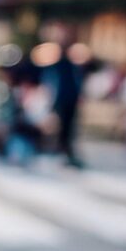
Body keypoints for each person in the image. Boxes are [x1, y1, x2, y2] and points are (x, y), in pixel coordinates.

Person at [44, 33, 86, 167]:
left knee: (67, 128)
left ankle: (64, 150)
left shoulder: (69, 67)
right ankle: (61, 149)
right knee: (63, 127)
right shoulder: (64, 66)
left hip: (66, 100)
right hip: (65, 100)